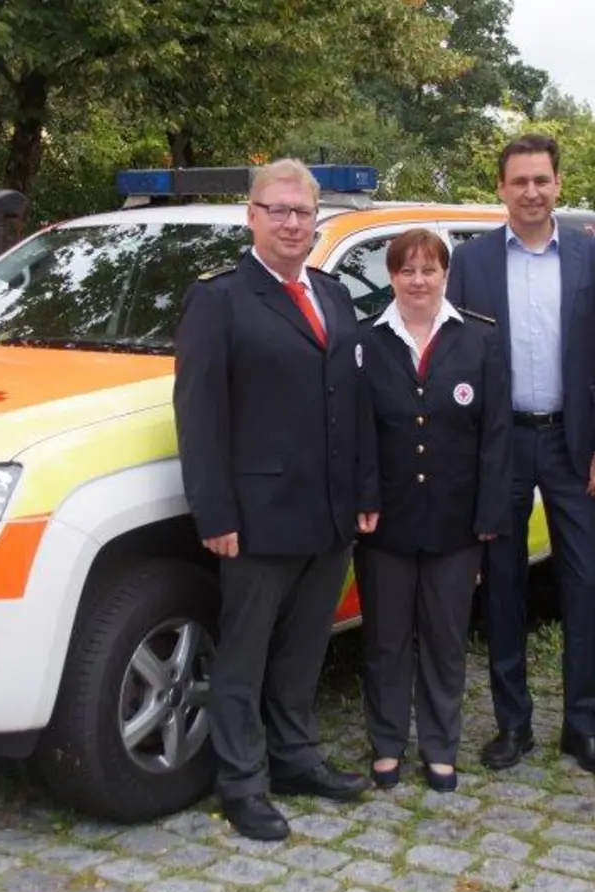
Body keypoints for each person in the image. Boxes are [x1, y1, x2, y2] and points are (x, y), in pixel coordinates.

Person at [172, 159, 374, 841]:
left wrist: (364, 491)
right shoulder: (220, 299)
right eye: (278, 210)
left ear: (318, 220)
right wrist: (215, 512)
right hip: (257, 516)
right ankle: (242, 783)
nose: (292, 223)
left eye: (302, 211)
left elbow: (354, 401)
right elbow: (199, 415)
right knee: (245, 656)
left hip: (330, 510)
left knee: (303, 649)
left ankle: (294, 759)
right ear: (251, 216)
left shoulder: (333, 293)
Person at [446, 134, 595, 776]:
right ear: (500, 188)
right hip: (499, 445)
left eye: (541, 180)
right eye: (518, 181)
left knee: (582, 585)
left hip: (572, 445)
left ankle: (582, 726)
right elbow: (454, 359)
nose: (530, 191)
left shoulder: (592, 257)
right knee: (502, 585)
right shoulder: (468, 262)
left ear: (558, 185)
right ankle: (512, 724)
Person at [354, 228, 512, 792]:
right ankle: (387, 743)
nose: (418, 280)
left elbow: (496, 436)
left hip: (455, 520)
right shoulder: (364, 341)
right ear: (391, 277)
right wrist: (363, 496)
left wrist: (489, 517)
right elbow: (356, 431)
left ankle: (441, 745)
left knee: (445, 639)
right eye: (406, 270)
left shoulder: (480, 340)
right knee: (386, 641)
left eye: (429, 269)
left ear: (446, 274)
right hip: (385, 520)